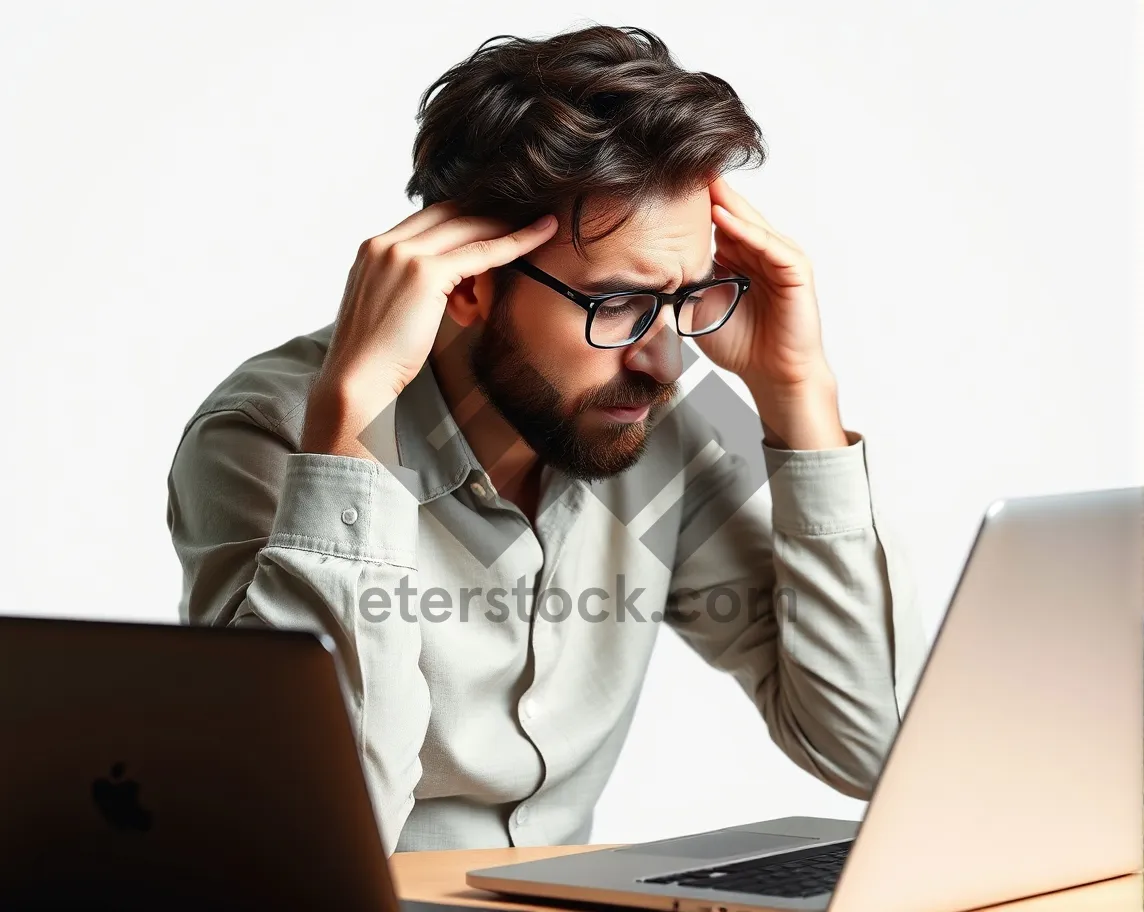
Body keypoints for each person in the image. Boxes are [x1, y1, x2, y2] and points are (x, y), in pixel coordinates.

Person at [166, 24, 926, 854]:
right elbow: (305, 836)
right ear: (471, 285)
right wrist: (351, 428)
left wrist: (798, 396)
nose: (665, 357)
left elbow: (872, 742)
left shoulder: (650, 416)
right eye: (618, 303)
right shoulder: (271, 435)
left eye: (690, 297)